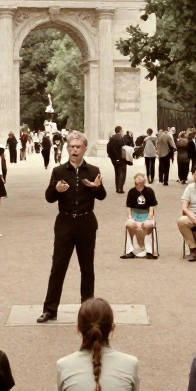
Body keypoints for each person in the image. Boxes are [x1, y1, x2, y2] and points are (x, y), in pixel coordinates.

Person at [37, 132, 106, 323]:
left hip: (86, 223)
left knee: (87, 268)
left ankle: (88, 310)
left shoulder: (93, 170)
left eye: (78, 147)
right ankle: (50, 309)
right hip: (65, 223)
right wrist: (55, 190)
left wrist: (96, 187)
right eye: (71, 146)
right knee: (58, 267)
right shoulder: (59, 171)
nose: (74, 150)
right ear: (67, 148)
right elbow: (49, 197)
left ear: (84, 148)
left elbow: (102, 196)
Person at [122, 173, 158, 259]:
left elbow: (152, 205)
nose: (139, 184)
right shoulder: (131, 192)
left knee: (148, 225)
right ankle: (130, 251)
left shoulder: (149, 191)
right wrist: (130, 217)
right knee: (129, 224)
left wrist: (150, 216)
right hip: (135, 214)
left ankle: (150, 251)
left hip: (146, 214)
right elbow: (128, 206)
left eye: (141, 181)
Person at [107, 126, 127, 194]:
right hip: (120, 158)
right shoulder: (121, 138)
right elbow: (124, 149)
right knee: (122, 173)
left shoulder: (112, 138)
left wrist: (112, 157)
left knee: (117, 173)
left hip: (114, 159)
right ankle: (120, 188)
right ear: (120, 130)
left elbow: (108, 148)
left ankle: (117, 187)